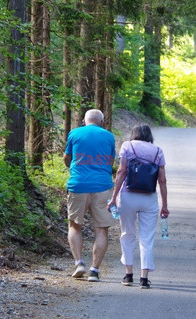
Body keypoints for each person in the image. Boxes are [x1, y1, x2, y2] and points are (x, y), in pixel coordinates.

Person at [107, 124, 170, 289]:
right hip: (149, 198)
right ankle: (144, 278)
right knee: (146, 238)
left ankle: (128, 275)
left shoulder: (128, 146)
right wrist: (165, 204)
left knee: (127, 234)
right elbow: (162, 180)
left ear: (134, 134)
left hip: (128, 197)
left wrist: (114, 197)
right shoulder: (157, 151)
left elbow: (121, 172)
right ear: (149, 135)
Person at [63, 109, 116, 282]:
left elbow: (67, 158)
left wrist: (75, 169)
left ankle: (79, 263)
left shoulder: (74, 133)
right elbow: (110, 162)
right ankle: (94, 271)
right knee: (101, 229)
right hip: (102, 186)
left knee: (74, 225)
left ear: (84, 121)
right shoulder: (109, 136)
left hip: (78, 184)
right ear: (101, 121)